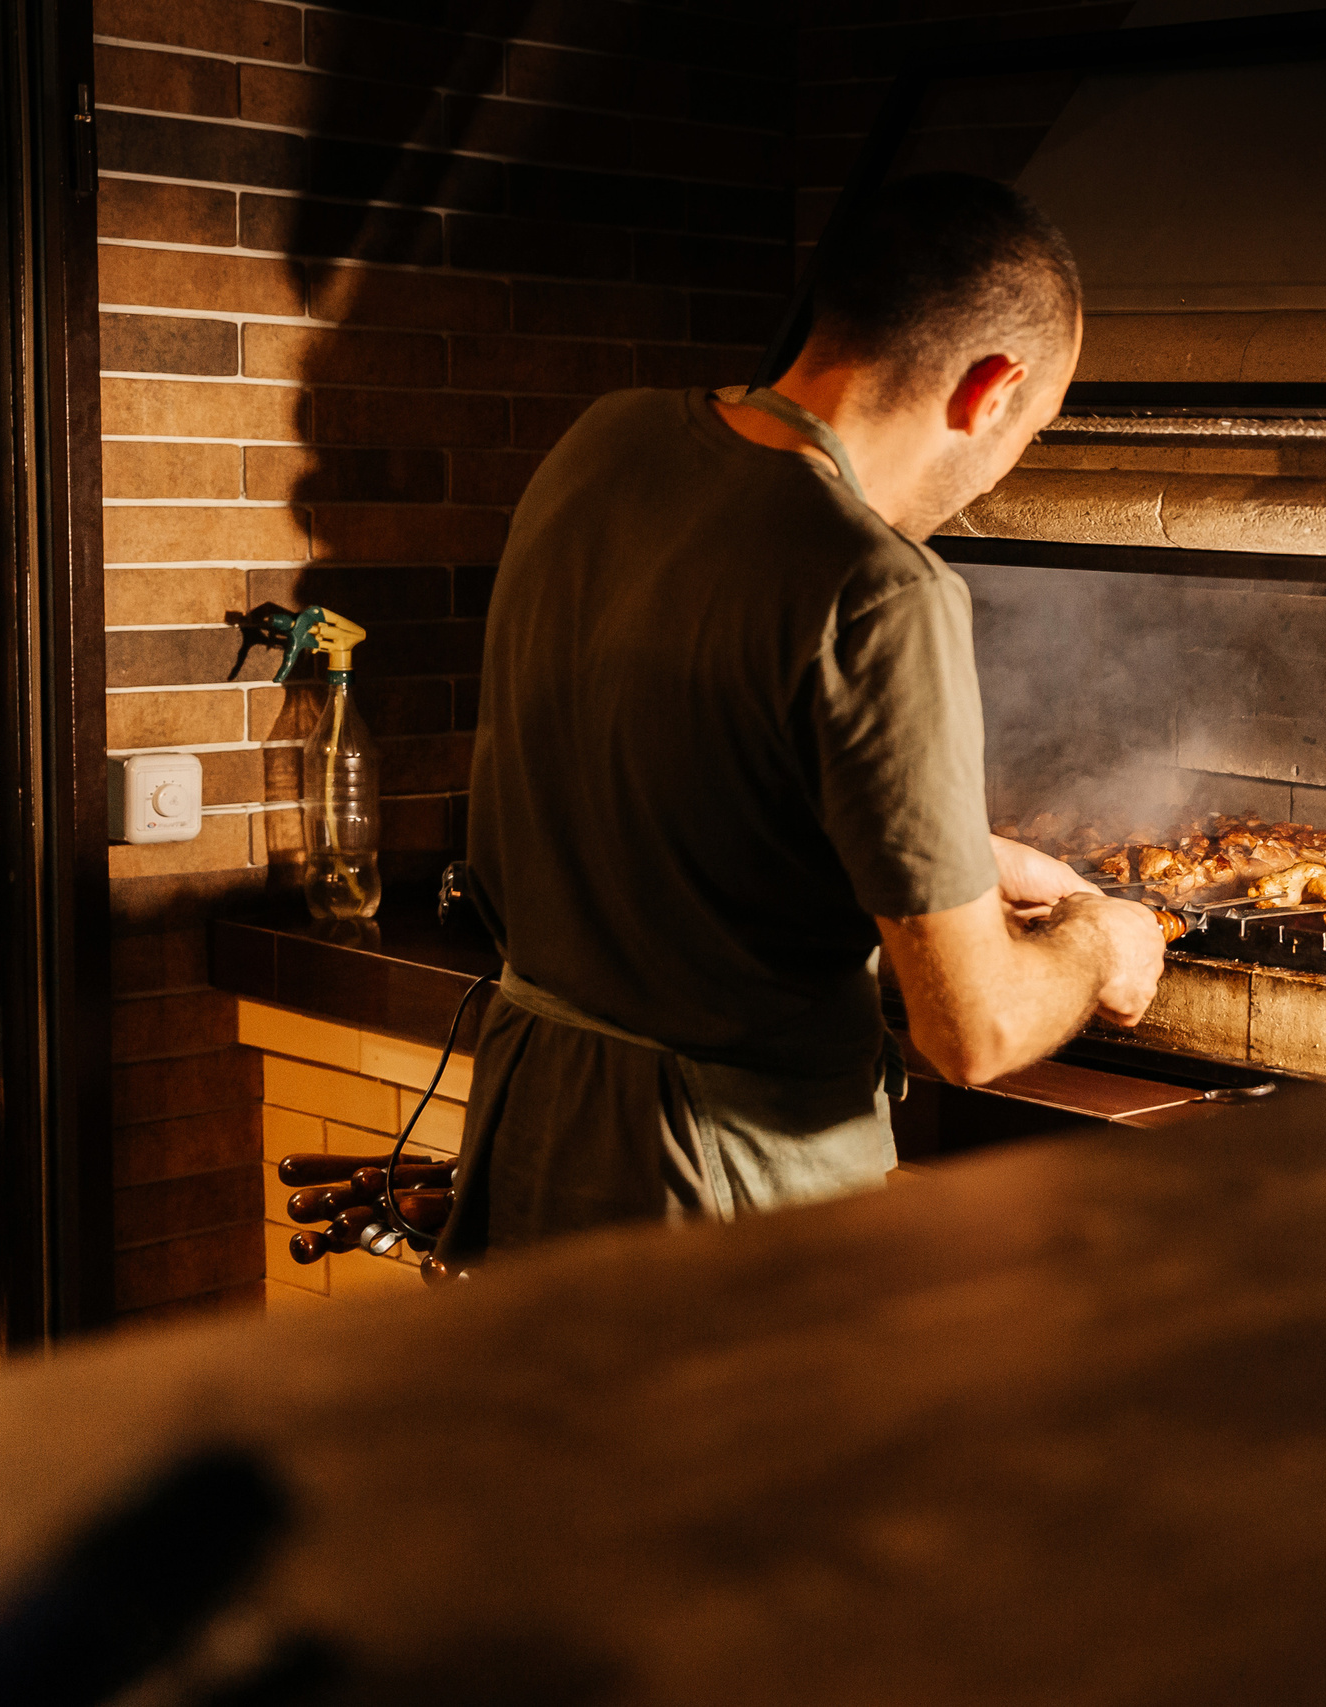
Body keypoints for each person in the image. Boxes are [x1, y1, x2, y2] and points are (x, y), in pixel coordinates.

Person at [436, 173, 1167, 1263]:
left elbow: (683, 770)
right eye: (1037, 429)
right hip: (722, 1190)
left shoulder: (606, 446)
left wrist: (959, 862)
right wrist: (1097, 940)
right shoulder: (881, 586)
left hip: (531, 1133)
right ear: (993, 389)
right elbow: (975, 1031)